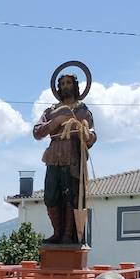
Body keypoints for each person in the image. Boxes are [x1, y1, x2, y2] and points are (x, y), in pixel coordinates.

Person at [33, 70, 97, 245]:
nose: (65, 86)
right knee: (51, 196)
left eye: (68, 83)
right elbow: (37, 132)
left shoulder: (82, 110)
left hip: (73, 156)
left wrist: (86, 135)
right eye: (62, 84)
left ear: (75, 86)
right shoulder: (52, 110)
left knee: (71, 196)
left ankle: (68, 234)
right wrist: (58, 119)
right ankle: (57, 232)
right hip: (54, 156)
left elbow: (91, 134)